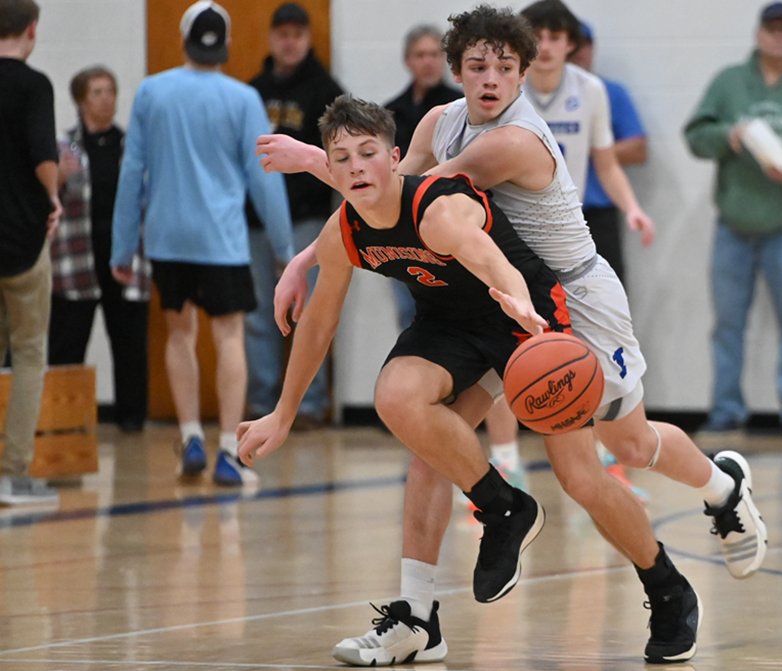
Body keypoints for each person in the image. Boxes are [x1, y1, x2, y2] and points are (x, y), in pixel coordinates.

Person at [257, 6, 767, 665]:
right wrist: (309, 258)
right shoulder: (440, 121)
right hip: (491, 299)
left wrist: (307, 159)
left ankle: (717, 492)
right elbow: (385, 195)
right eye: (477, 65)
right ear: (457, 70)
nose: (490, 77)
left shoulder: (513, 141)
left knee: (616, 452)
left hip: (571, 295)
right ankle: (417, 614)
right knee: (429, 440)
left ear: (525, 74)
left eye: (504, 66)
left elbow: (415, 186)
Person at [238, 94, 568, 666]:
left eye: (369, 154)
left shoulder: (435, 209)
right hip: (449, 325)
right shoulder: (344, 230)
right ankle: (437, 595)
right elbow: (318, 323)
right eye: (341, 159)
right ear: (331, 169)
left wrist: (518, 304)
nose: (356, 167)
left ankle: (680, 554)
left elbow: (493, 262)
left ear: (395, 158)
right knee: (403, 410)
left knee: (602, 461)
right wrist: (283, 412)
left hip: (522, 317)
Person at [111, 0, 294, 487]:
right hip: (222, 241)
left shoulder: (152, 91)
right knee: (229, 336)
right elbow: (265, 178)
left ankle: (190, 435)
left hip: (167, 240)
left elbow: (133, 173)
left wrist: (121, 247)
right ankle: (229, 452)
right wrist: (284, 248)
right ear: (227, 44)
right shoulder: (243, 99)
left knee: (179, 334)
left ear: (183, 39)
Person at [683, 2, 782, 442]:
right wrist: (727, 137)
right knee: (727, 324)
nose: (778, 37)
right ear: (758, 34)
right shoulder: (729, 83)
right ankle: (725, 411)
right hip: (732, 227)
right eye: (771, 29)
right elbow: (696, 136)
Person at [518, 0, 656, 500]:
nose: (549, 45)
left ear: (571, 42)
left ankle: (603, 460)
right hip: (514, 237)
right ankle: (506, 465)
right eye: (540, 35)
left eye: (558, 36)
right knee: (506, 347)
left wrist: (633, 207)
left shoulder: (590, 91)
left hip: (571, 233)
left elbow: (607, 163)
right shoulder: (509, 91)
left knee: (588, 349)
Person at [244, 2, 345, 430]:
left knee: (311, 312)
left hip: (307, 220)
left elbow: (342, 155)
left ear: (307, 39)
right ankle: (262, 402)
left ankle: (307, 405)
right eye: (282, 34)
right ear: (270, 40)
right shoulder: (253, 91)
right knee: (257, 316)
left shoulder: (326, 89)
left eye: (297, 35)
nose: (289, 42)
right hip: (254, 223)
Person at [48, 65, 151, 434]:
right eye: (97, 92)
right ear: (80, 99)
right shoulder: (61, 148)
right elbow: (42, 202)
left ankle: (132, 419)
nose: (106, 99)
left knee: (129, 345)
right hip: (77, 262)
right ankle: (63, 422)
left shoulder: (132, 146)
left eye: (110, 90)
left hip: (124, 260)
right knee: (66, 345)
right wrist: (55, 179)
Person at [0, 0, 61, 506]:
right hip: (22, 241)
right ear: (32, 30)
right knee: (28, 354)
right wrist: (55, 196)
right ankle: (12, 472)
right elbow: (45, 156)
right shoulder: (32, 85)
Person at [384, 24, 462, 332]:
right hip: (401, 224)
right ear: (408, 60)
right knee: (408, 313)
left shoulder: (459, 108)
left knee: (451, 312)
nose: (428, 61)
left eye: (435, 54)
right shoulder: (390, 112)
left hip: (447, 220)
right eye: (421, 54)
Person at [568, 19, 648, 288]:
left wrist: (587, 147)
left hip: (598, 212)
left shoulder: (607, 92)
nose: (579, 52)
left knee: (607, 291)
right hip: (554, 214)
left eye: (585, 44)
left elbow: (638, 148)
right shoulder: (535, 95)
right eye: (573, 45)